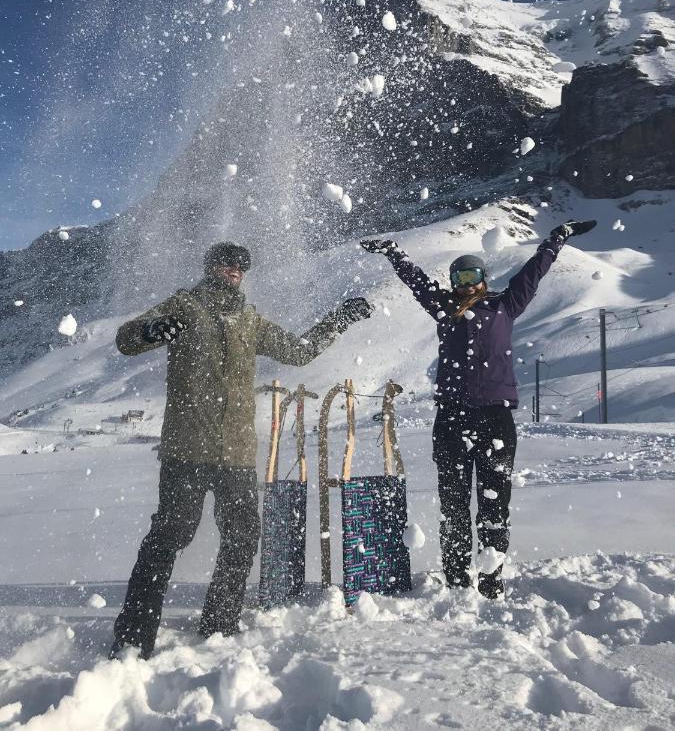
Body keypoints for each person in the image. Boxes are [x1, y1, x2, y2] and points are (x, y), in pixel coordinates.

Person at [110, 241, 372, 658]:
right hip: (186, 449)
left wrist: (338, 320)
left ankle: (219, 625)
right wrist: (149, 331)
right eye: (225, 263)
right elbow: (125, 339)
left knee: (243, 535)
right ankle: (133, 636)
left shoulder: (250, 320)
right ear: (209, 265)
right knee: (171, 535)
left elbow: (299, 352)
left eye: (240, 265)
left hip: (235, 454)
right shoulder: (184, 305)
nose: (233, 269)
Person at [361, 220, 596, 598]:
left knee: (493, 503)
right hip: (452, 418)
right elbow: (418, 283)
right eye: (459, 276)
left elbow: (533, 273)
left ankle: (490, 579)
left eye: (472, 275)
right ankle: (456, 579)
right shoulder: (445, 310)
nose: (466, 283)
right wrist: (394, 253)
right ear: (453, 281)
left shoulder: (506, 304)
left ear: (483, 278)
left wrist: (557, 238)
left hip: (495, 419)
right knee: (453, 504)